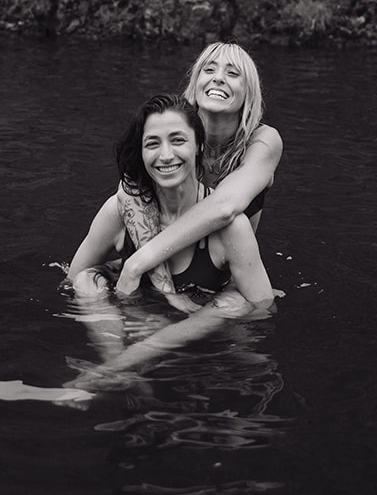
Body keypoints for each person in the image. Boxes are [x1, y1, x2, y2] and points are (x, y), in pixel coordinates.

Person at [65, 93, 275, 383]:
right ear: (140, 152)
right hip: (130, 324)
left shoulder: (230, 228)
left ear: (199, 145)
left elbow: (263, 307)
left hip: (202, 346)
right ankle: (121, 370)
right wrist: (132, 316)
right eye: (153, 143)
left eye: (178, 140)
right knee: (86, 282)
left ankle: (109, 374)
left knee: (234, 304)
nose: (165, 156)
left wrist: (185, 326)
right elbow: (70, 281)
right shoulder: (119, 210)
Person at [113, 41, 283, 301]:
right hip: (165, 269)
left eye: (233, 73)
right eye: (209, 70)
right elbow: (129, 187)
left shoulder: (263, 140)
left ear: (249, 91)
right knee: (85, 280)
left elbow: (225, 207)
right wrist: (158, 279)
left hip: (222, 279)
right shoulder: (176, 130)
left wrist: (139, 262)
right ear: (195, 82)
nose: (218, 78)